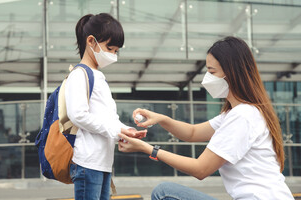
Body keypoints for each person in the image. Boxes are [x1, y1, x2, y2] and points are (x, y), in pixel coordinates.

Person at [118, 36, 294, 200]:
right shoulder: (238, 113)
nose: (207, 78)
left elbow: (200, 169)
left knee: (164, 193)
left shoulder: (243, 116)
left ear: (232, 73)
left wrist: (148, 149)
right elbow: (193, 133)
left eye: (212, 71)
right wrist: (161, 119)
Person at [65, 13, 147, 200]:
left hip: (101, 162)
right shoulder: (79, 74)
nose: (113, 55)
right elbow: (78, 115)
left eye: (116, 51)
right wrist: (116, 131)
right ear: (91, 41)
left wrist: (127, 131)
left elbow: (108, 117)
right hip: (88, 162)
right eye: (110, 48)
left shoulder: (97, 76)